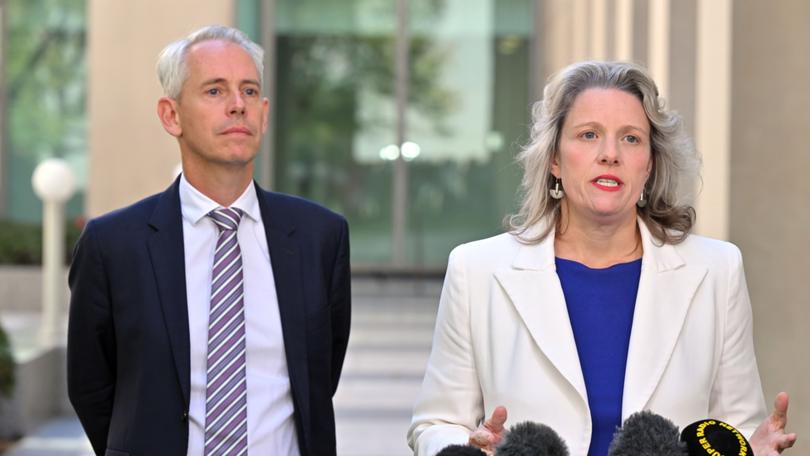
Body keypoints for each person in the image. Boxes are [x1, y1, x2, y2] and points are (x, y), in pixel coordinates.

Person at [407, 61, 796, 456]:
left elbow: (733, 427)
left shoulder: (717, 269)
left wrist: (749, 448)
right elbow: (436, 424)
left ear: (650, 164)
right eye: (589, 134)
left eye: (630, 139)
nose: (610, 154)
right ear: (554, 160)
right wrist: (470, 448)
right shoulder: (476, 270)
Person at [67, 25, 350, 456]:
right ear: (171, 115)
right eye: (215, 91)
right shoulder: (113, 245)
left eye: (250, 91)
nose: (238, 106)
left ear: (265, 112)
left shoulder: (319, 237)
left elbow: (319, 378)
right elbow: (91, 387)